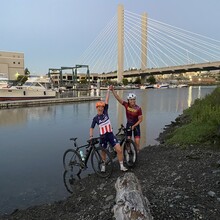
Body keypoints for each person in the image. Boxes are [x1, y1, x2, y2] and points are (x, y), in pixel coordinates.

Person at [89, 89, 128, 172]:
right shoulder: (95, 118)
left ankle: (121, 166)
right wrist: (91, 136)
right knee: (103, 152)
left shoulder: (105, 112)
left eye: (102, 107)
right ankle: (103, 166)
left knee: (119, 150)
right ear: (97, 108)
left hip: (110, 135)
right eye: (99, 107)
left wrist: (108, 90)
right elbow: (91, 127)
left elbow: (107, 100)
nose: (101, 108)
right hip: (103, 137)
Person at [109, 85, 143, 152]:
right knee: (128, 141)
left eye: (134, 99)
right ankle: (128, 152)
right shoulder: (126, 105)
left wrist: (134, 126)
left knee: (137, 142)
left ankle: (137, 153)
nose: (132, 101)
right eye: (131, 99)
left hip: (136, 125)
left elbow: (141, 119)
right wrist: (113, 90)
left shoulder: (138, 108)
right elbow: (118, 98)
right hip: (129, 125)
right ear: (128, 100)